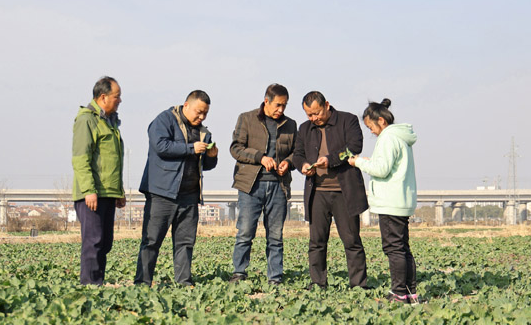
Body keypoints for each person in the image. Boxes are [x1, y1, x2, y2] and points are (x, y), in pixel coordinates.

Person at [135, 90, 219, 286]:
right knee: (151, 240)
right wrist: (190, 148)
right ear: (186, 105)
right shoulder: (164, 120)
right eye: (199, 112)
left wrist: (212, 156)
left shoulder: (203, 132)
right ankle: (142, 283)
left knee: (185, 242)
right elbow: (160, 146)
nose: (201, 117)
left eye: (205, 113)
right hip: (162, 193)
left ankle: (184, 283)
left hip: (189, 195)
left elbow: (205, 165)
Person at [293, 91, 369, 289]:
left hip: (344, 192)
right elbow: (297, 154)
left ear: (326, 105)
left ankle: (358, 285)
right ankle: (318, 283)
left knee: (351, 240)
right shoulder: (304, 128)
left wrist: (330, 160)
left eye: (317, 113)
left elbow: (354, 147)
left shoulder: (348, 120)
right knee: (316, 241)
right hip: (317, 192)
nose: (314, 118)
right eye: (309, 115)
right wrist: (303, 165)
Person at [348, 99, 419, 303]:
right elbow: (389, 165)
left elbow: (382, 169)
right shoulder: (401, 137)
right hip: (401, 201)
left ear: (381, 120)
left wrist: (358, 162)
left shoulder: (388, 137)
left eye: (370, 126)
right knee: (402, 248)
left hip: (390, 202)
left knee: (393, 249)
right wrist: (370, 162)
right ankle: (410, 293)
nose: (371, 131)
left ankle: (398, 293)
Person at [229, 83, 297, 285]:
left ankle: (275, 277)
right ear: (266, 101)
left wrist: (288, 163)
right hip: (251, 186)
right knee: (245, 233)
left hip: (279, 187)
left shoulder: (291, 125)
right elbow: (236, 149)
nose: (281, 110)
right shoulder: (246, 118)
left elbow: (297, 153)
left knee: (275, 236)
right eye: (278, 105)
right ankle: (239, 272)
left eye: (284, 105)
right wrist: (260, 157)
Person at [72, 76, 126, 285]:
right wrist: (88, 190)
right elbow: (81, 158)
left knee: (105, 243)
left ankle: (98, 283)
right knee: (93, 242)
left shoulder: (110, 123)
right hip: (92, 193)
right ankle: (89, 286)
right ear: (103, 97)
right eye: (116, 96)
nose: (119, 100)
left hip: (108, 192)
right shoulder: (87, 120)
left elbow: (113, 161)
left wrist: (119, 191)